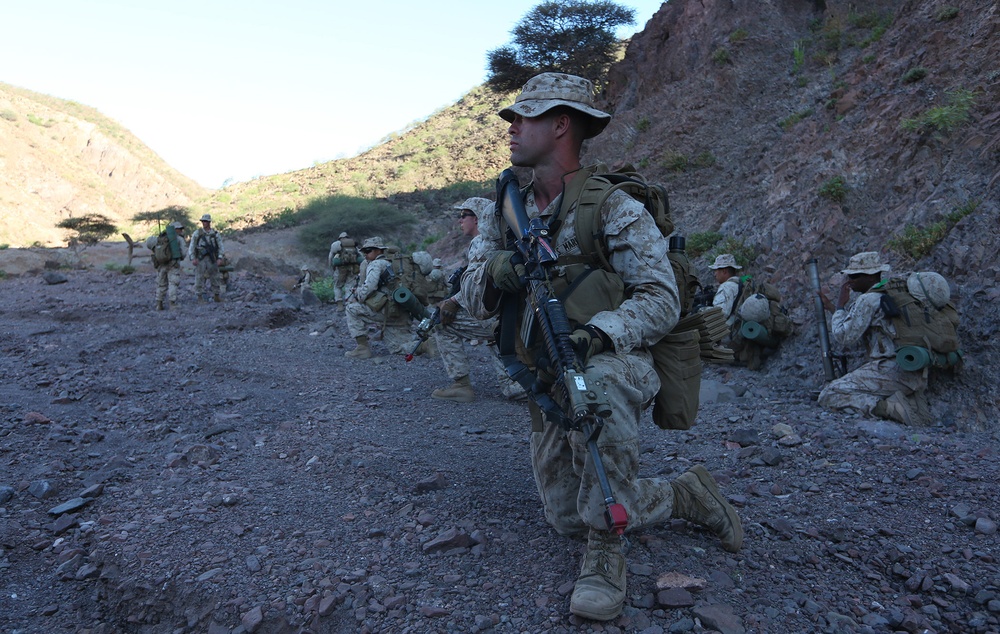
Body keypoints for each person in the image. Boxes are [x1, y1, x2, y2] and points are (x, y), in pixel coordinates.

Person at [457, 72, 743, 621]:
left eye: (526, 117)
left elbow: (661, 298)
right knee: (564, 517)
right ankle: (683, 495)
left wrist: (600, 334)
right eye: (512, 117)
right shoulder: (502, 208)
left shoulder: (613, 208)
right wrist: (499, 270)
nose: (512, 127)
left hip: (613, 359)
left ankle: (607, 553)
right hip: (546, 370)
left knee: (603, 384)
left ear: (562, 124)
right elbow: (474, 300)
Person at [818, 251, 933, 425]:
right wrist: (834, 309)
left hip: (891, 369)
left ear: (870, 277)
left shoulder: (868, 300)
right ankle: (913, 403)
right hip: (914, 367)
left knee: (829, 394)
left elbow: (844, 336)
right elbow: (857, 323)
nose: (850, 280)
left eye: (855, 276)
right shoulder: (889, 294)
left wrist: (841, 304)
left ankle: (888, 407)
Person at [430, 198, 523, 403]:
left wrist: (453, 301)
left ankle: (461, 385)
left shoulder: (483, 243)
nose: (459, 221)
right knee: (514, 390)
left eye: (464, 215)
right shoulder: (505, 239)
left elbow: (478, 285)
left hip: (496, 316)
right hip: (508, 315)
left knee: (443, 324)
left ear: (478, 218)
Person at [343, 237, 413, 358]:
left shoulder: (375, 264)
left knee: (351, 308)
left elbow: (369, 288)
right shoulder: (393, 263)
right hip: (400, 310)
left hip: (386, 310)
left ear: (379, 251)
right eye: (364, 251)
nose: (365, 254)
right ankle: (425, 346)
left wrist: (358, 295)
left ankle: (362, 348)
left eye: (368, 250)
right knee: (397, 348)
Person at [149, 221, 186, 310]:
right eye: (180, 229)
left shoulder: (161, 238)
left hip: (161, 264)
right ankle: (172, 304)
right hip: (173, 264)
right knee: (173, 283)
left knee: (161, 284)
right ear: (176, 229)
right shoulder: (179, 239)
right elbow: (184, 253)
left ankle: (159, 304)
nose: (181, 230)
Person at [188, 213, 225, 302]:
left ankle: (216, 295)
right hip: (200, 258)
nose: (204, 223)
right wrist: (193, 258)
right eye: (203, 221)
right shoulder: (197, 233)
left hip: (212, 258)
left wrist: (220, 257)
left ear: (209, 222)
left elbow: (220, 247)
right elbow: (192, 246)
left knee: (215, 276)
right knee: (199, 277)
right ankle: (199, 297)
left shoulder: (215, 234)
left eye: (206, 221)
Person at [708, 253, 742, 328]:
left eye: (716, 270)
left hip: (729, 333)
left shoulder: (726, 287)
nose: (715, 274)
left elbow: (720, 313)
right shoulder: (739, 284)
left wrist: (702, 309)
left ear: (724, 271)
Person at [328, 231, 360, 310]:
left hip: (340, 269)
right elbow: (359, 255)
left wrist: (332, 268)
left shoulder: (335, 244)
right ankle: (349, 304)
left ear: (339, 238)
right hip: (352, 269)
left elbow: (330, 257)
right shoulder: (352, 244)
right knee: (349, 286)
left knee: (337, 286)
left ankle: (340, 305)